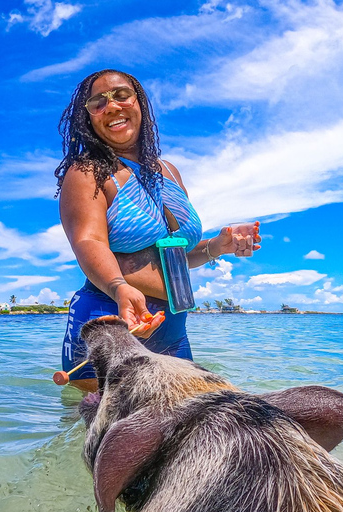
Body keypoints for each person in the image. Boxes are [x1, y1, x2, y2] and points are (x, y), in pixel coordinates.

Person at [55, 69, 260, 393]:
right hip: (111, 318)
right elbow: (88, 240)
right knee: (99, 435)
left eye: (122, 95)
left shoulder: (169, 171)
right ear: (88, 118)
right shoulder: (87, 172)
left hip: (173, 325)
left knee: (180, 431)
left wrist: (218, 247)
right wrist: (119, 287)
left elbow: (171, 254)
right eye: (98, 102)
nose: (111, 106)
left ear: (140, 103)